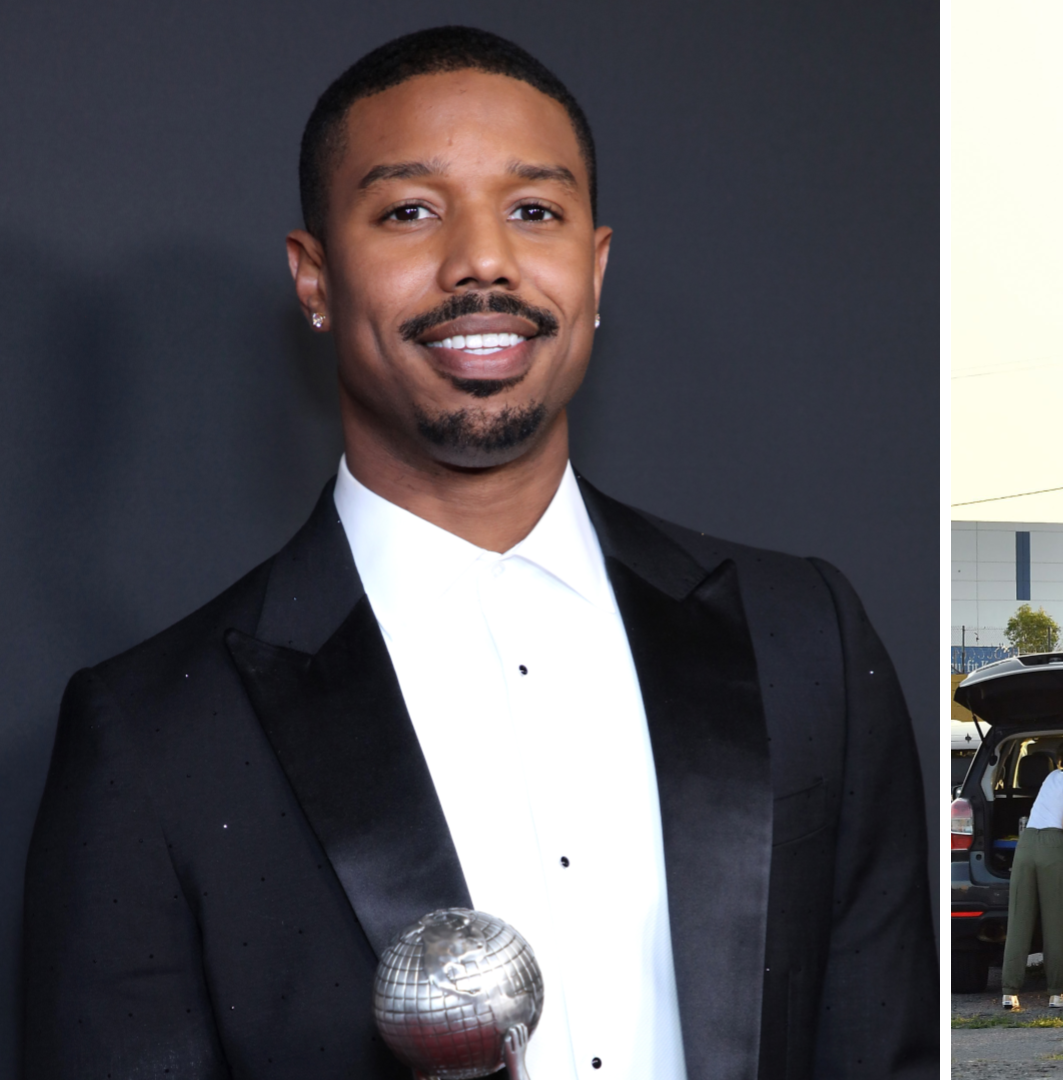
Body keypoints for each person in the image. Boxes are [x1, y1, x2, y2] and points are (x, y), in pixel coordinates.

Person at [21, 27, 933, 1080]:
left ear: (593, 270)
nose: (483, 260)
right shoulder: (153, 738)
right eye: (411, 210)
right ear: (314, 279)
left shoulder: (803, 639)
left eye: (533, 210)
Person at [1001, 740, 1063, 1011]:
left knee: (1019, 920)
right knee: (1054, 923)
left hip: (1026, 845)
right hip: (1055, 846)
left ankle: (1009, 993)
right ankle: (1055, 993)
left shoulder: (1051, 776)